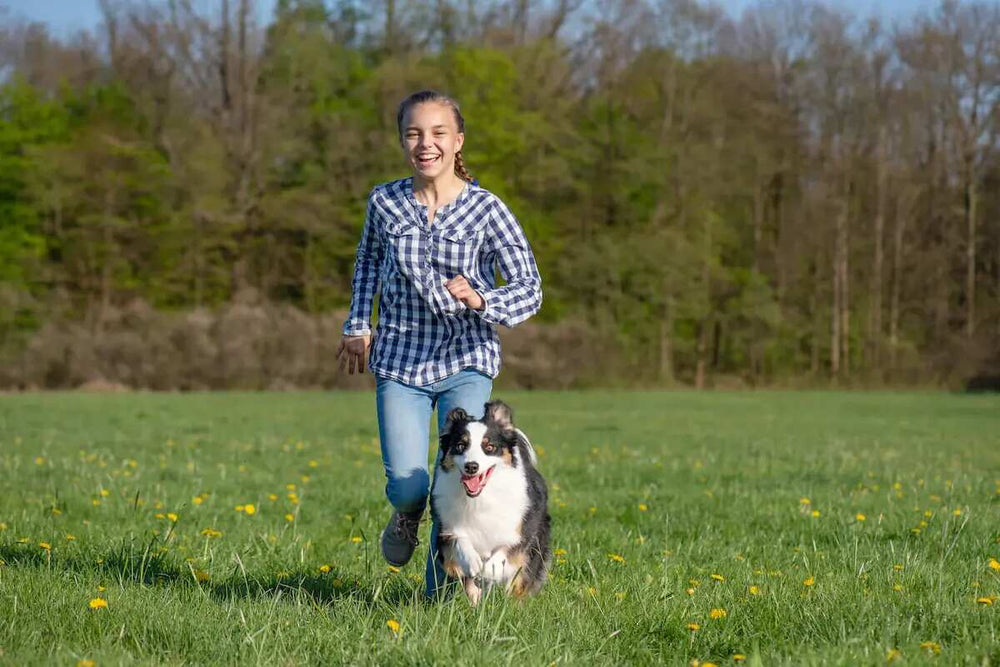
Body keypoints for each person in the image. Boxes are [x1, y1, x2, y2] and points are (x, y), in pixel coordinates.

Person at [336, 90, 542, 599]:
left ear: (457, 141)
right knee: (410, 485)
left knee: (453, 482)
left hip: (466, 361)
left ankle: (439, 597)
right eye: (413, 133)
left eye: (437, 133)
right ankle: (405, 516)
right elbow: (366, 264)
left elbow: (529, 286)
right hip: (401, 361)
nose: (425, 144)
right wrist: (357, 325)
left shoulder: (487, 210)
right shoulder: (385, 202)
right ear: (403, 140)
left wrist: (481, 298)